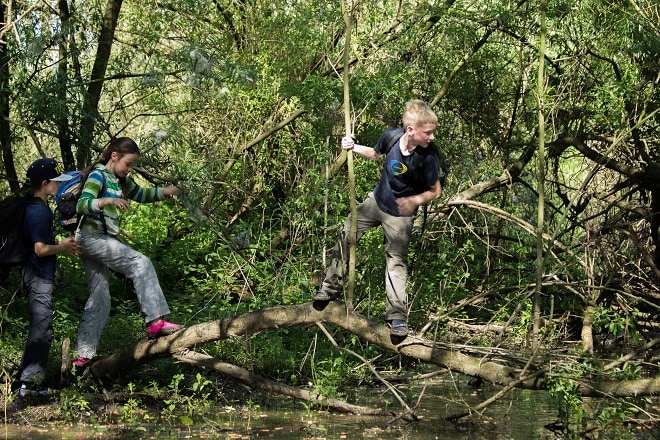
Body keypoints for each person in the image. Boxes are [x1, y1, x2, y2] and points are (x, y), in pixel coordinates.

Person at [314, 100, 445, 337]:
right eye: (428, 132)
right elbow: (375, 154)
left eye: (433, 131)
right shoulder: (391, 138)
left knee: (396, 262)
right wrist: (351, 147)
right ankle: (329, 288)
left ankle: (396, 318)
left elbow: (436, 191)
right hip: (377, 202)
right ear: (411, 130)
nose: (432, 136)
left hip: (401, 216)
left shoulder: (429, 158)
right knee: (346, 231)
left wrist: (414, 201)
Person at [72, 137, 183, 368]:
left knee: (100, 297)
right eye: (128, 164)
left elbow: (144, 195)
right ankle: (155, 321)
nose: (130, 169)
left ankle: (84, 357)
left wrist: (170, 190)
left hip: (98, 241)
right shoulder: (98, 175)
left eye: (133, 165)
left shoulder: (121, 180)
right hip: (91, 238)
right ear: (114, 156)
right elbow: (82, 204)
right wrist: (105, 201)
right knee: (140, 263)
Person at [12, 158, 80, 396]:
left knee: (39, 328)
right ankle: (29, 386)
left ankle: (23, 382)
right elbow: (40, 249)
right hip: (38, 277)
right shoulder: (38, 212)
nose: (58, 186)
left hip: (36, 275)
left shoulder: (33, 207)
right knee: (42, 329)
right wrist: (61, 246)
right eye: (55, 182)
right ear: (44, 183)